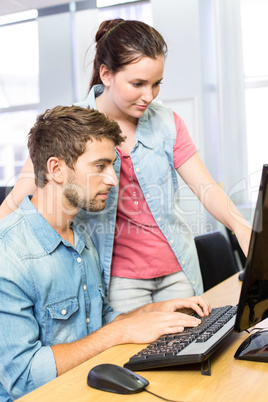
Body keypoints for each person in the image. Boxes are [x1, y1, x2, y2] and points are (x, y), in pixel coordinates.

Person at [0, 19, 251, 313]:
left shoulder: (167, 123)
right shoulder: (70, 127)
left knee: (191, 348)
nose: (149, 95)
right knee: (131, 356)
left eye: (156, 84)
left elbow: (206, 189)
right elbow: (16, 201)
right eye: (138, 84)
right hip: (119, 279)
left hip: (177, 268)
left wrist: (240, 226)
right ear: (106, 74)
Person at [0, 105, 211, 402]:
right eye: (100, 166)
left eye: (112, 165)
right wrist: (120, 332)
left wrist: (151, 313)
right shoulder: (8, 255)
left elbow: (100, 321)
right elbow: (23, 377)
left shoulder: (82, 238)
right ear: (56, 169)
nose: (113, 180)